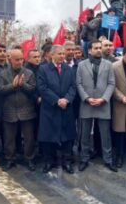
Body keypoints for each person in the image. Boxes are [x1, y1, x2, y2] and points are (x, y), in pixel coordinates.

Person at [76, 40, 117, 172]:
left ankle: (108, 160)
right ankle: (84, 159)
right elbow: (79, 84)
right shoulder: (81, 65)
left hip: (103, 104)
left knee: (105, 135)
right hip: (86, 104)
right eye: (96, 48)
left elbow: (111, 84)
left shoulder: (109, 65)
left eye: (100, 48)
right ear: (89, 50)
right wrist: (86, 98)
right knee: (85, 134)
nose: (99, 50)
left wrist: (104, 99)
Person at [37, 45, 77, 174]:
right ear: (52, 55)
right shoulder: (43, 69)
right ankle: (49, 161)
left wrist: (66, 99)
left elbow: (73, 87)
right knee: (49, 135)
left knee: (67, 136)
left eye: (63, 54)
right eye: (59, 54)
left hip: (66, 108)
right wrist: (56, 100)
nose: (62, 56)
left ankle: (67, 161)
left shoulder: (69, 70)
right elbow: (42, 88)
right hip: (50, 108)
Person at [0, 49, 37, 171]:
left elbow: (32, 89)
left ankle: (29, 158)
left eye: (21, 59)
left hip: (27, 110)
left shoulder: (29, 73)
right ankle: (10, 159)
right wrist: (12, 86)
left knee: (29, 138)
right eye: (17, 59)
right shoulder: (3, 74)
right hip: (9, 110)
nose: (20, 62)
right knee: (9, 138)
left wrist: (22, 84)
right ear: (10, 60)